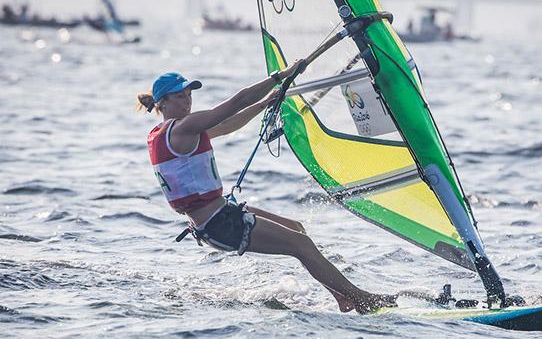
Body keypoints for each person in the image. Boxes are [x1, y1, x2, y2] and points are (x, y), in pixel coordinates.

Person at [136, 68, 397, 314]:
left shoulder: (169, 133)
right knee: (301, 245)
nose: (188, 100)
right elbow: (232, 105)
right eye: (180, 96)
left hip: (216, 217)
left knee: (297, 229)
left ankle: (340, 296)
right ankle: (362, 299)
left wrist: (266, 103)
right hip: (219, 224)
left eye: (190, 94)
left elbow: (230, 124)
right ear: (163, 103)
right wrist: (279, 77)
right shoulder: (183, 127)